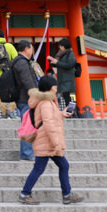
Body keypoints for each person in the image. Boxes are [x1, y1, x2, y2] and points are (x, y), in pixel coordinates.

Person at [18, 75, 84, 205]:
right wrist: (56, 144)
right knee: (40, 168)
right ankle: (25, 193)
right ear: (50, 88)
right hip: (46, 142)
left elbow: (50, 119)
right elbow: (48, 124)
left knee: (62, 165)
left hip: (47, 141)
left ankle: (67, 194)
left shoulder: (48, 102)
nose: (56, 88)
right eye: (55, 85)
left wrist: (62, 114)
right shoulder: (45, 104)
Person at [8, 40, 39, 161]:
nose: (32, 51)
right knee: (28, 125)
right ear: (26, 49)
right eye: (31, 48)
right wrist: (35, 94)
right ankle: (26, 153)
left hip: (24, 97)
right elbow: (27, 80)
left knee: (28, 125)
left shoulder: (19, 62)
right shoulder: (22, 63)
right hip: (26, 98)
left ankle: (27, 151)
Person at [50, 38, 77, 110]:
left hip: (68, 79)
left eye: (61, 46)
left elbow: (69, 65)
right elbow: (60, 64)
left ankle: (71, 112)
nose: (59, 47)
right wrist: (53, 62)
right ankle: (69, 112)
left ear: (64, 46)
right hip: (63, 79)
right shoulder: (61, 54)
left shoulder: (70, 54)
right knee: (66, 97)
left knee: (70, 98)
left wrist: (57, 63)